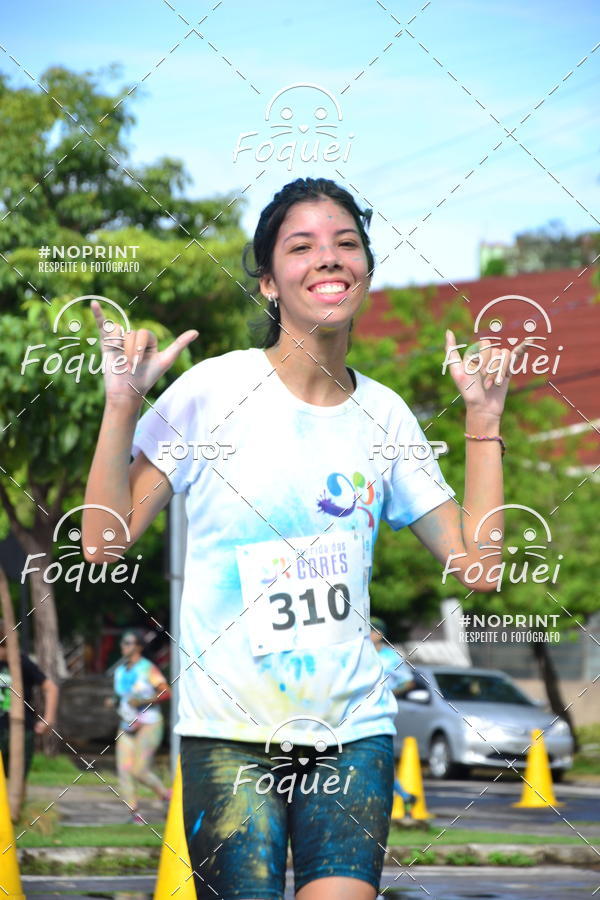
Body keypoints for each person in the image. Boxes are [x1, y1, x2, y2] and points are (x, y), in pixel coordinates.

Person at [83, 176, 521, 898]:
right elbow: (102, 542)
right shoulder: (210, 394)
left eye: (347, 244)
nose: (329, 258)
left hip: (354, 731)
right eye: (303, 246)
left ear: (367, 272)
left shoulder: (387, 417)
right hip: (229, 733)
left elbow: (478, 567)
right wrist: (123, 406)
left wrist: (484, 423)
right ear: (268, 284)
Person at [109, 629, 172, 824]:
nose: (123, 646)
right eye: (122, 643)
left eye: (128, 643)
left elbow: (166, 692)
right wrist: (112, 702)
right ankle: (134, 815)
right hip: (126, 724)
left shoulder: (148, 668)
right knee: (124, 769)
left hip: (149, 724)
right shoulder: (119, 671)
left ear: (138, 647)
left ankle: (166, 795)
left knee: (139, 770)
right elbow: (122, 697)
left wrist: (145, 700)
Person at [369, 617, 417, 818]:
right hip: (359, 713)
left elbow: (408, 682)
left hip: (380, 714)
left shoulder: (391, 657)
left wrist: (388, 693)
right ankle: (405, 796)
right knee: (374, 759)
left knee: (378, 757)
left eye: (370, 630)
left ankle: (400, 797)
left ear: (380, 634)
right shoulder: (360, 654)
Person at [0, 618, 59, 779]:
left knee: (17, 779)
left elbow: (51, 688)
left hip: (21, 728)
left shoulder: (22, 662)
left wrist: (48, 719)